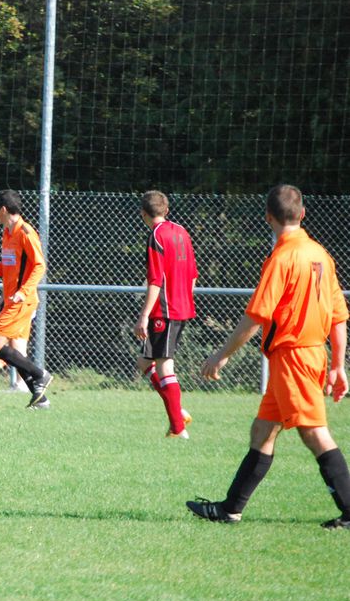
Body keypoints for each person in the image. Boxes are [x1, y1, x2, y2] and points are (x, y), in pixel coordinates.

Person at [188, 184, 350, 529]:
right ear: (302, 213)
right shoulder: (320, 253)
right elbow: (339, 316)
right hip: (306, 356)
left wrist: (221, 355)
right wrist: (337, 365)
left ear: (268, 217)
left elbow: (256, 316)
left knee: (314, 433)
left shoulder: (283, 258)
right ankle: (230, 508)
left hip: (295, 356)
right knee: (262, 430)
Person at [0, 189, 52, 409]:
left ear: (4, 209)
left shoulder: (25, 232)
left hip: (21, 302)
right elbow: (9, 267)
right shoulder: (7, 232)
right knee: (15, 352)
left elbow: (39, 265)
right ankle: (40, 396)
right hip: (11, 300)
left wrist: (22, 292)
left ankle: (40, 374)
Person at [132, 190, 198, 438]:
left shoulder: (156, 236)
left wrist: (144, 315)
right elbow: (193, 274)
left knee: (164, 367)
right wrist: (185, 300)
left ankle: (178, 429)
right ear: (166, 210)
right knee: (144, 363)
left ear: (143, 214)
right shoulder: (181, 232)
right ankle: (177, 410)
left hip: (164, 310)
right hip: (181, 307)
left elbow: (155, 281)